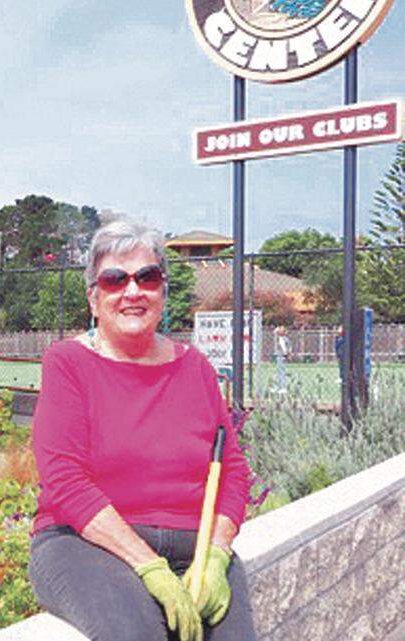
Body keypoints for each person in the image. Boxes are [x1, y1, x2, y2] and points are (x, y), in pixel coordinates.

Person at [28, 220, 258, 641]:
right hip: (87, 545)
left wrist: (216, 556)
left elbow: (233, 472)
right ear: (94, 299)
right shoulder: (67, 364)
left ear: (162, 294)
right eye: (115, 279)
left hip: (196, 546)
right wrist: (150, 567)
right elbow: (64, 480)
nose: (132, 291)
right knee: (136, 634)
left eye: (147, 277)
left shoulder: (196, 368)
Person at [273, 325, 290, 393]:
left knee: (281, 372)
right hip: (281, 356)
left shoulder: (281, 339)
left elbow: (284, 348)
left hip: (281, 356)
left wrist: (285, 353)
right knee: (279, 372)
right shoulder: (284, 338)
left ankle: (283, 387)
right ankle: (279, 387)